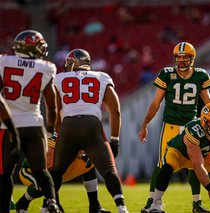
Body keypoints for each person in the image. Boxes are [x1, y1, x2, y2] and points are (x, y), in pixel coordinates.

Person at [50, 49, 129, 213]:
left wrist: (58, 133)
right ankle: (122, 207)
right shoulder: (101, 77)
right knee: (108, 170)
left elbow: (56, 111)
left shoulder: (59, 78)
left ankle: (48, 204)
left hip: (68, 125)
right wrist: (114, 139)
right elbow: (115, 111)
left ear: (73, 63)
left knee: (57, 171)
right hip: (91, 125)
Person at [139, 42, 210, 213]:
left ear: (192, 58)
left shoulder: (200, 75)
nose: (180, 60)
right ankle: (152, 202)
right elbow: (155, 104)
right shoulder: (167, 74)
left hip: (191, 126)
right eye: (178, 57)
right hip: (171, 126)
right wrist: (144, 124)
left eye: (184, 57)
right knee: (162, 163)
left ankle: (196, 203)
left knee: (195, 164)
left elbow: (208, 103)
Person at [0, 30, 59, 213]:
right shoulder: (45, 67)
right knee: (41, 170)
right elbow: (52, 108)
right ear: (33, 48)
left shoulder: (3, 62)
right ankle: (51, 202)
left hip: (8, 127)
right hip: (34, 125)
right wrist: (50, 129)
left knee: (5, 174)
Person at [149, 103, 210, 213]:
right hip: (179, 153)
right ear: (203, 120)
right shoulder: (194, 130)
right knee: (167, 168)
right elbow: (198, 166)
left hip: (202, 155)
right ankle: (155, 204)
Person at [15, 133, 110, 213]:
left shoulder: (86, 143)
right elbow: (48, 169)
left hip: (53, 173)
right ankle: (22, 203)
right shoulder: (58, 140)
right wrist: (54, 202)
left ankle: (95, 207)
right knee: (44, 184)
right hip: (30, 170)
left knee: (88, 165)